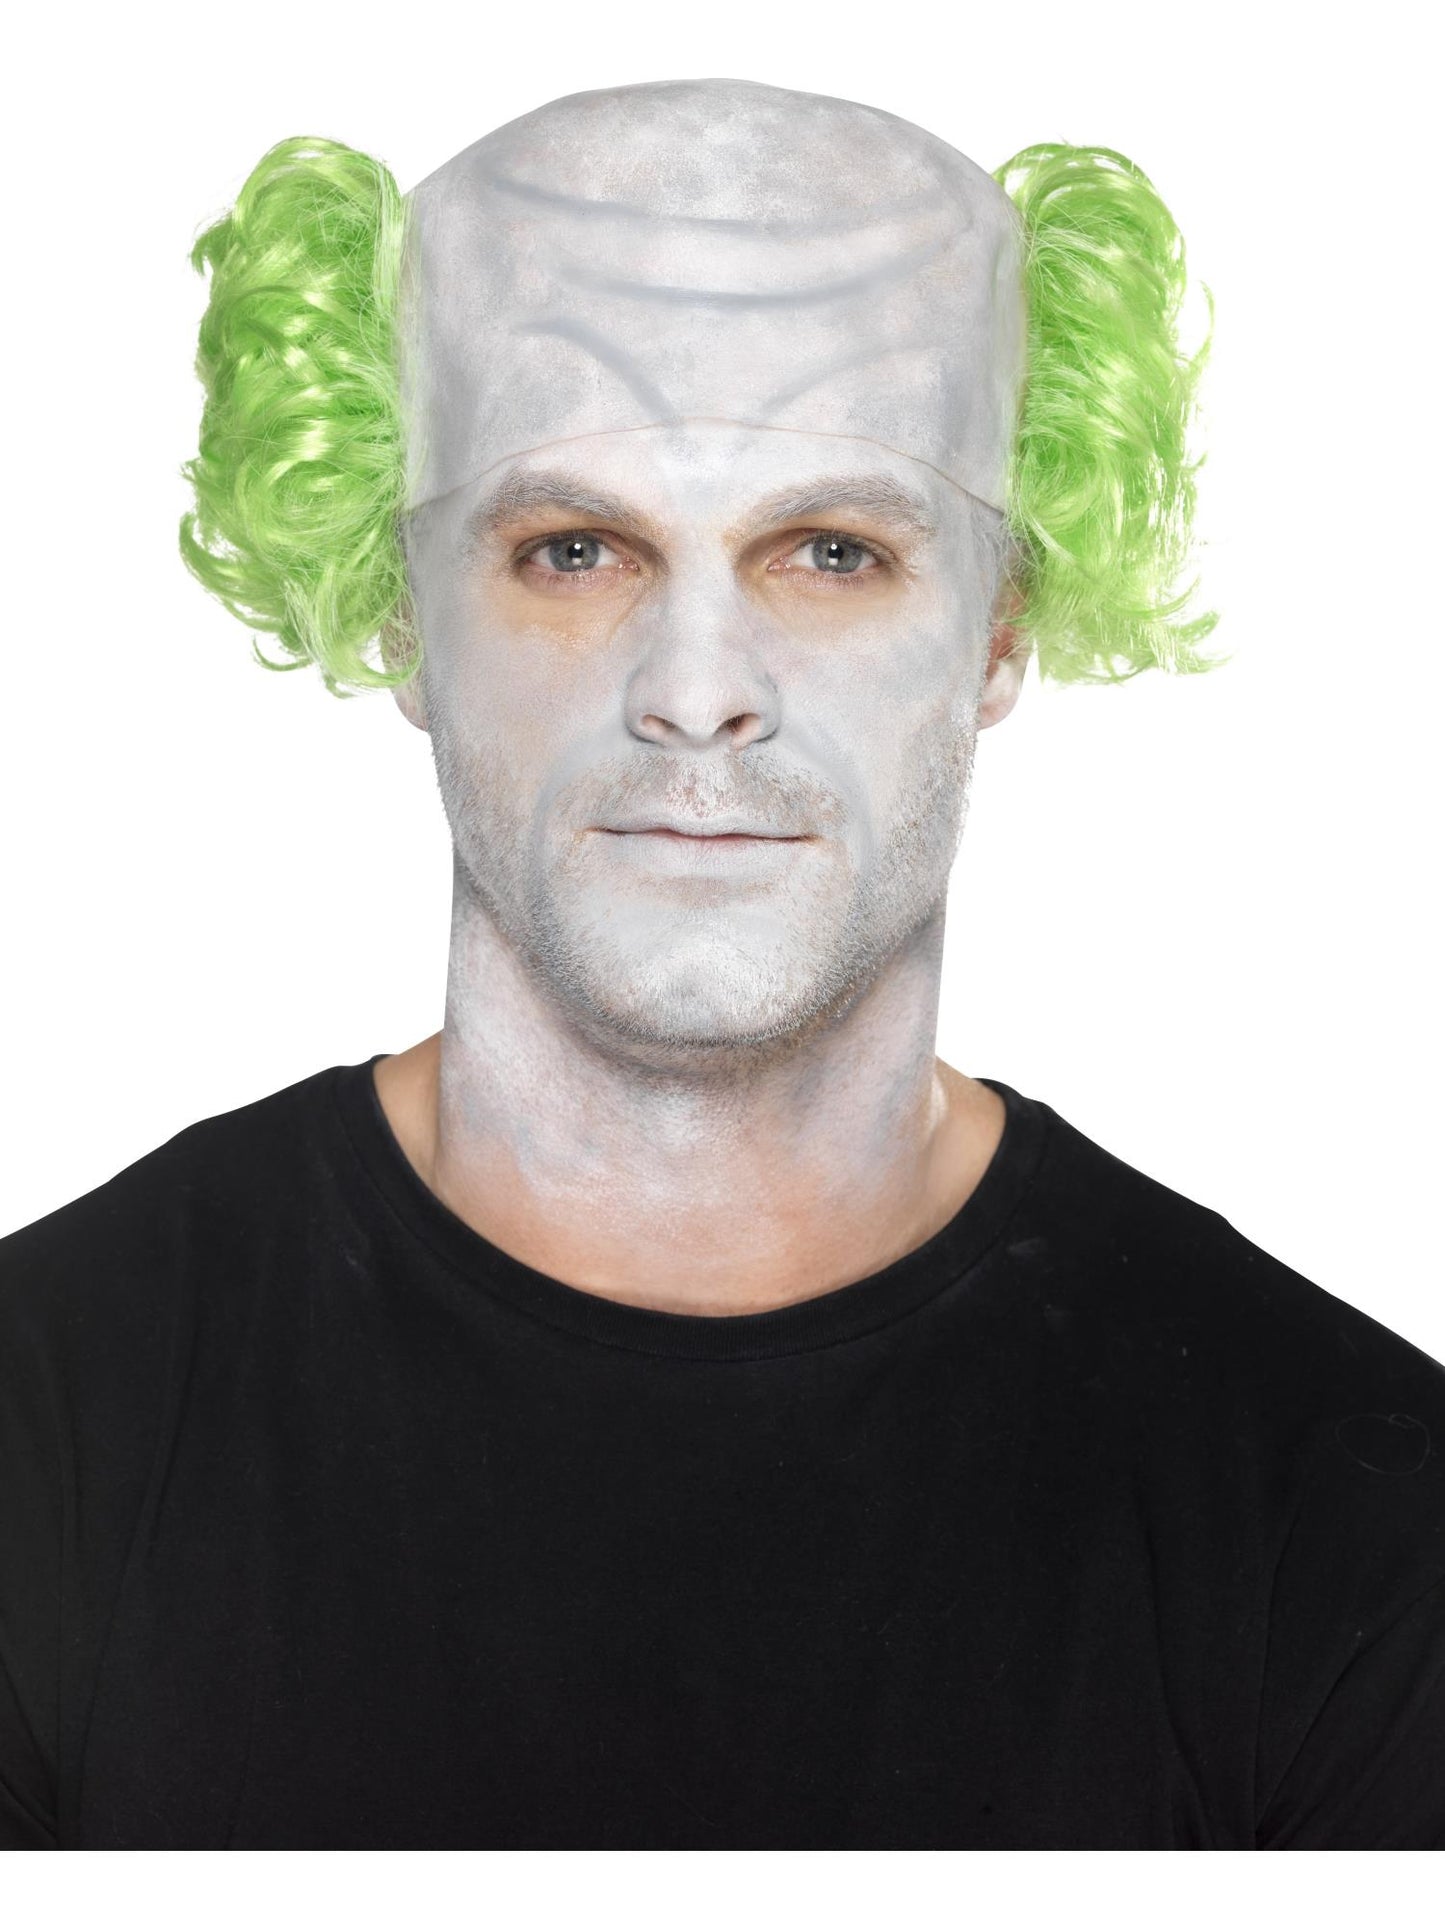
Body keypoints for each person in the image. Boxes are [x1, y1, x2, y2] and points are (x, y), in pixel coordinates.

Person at [2, 78, 1441, 1850]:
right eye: (572, 549)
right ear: (397, 610)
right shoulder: (47, 1426)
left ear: (1001, 622)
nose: (696, 691)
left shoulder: (1349, 1518)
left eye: (832, 551)